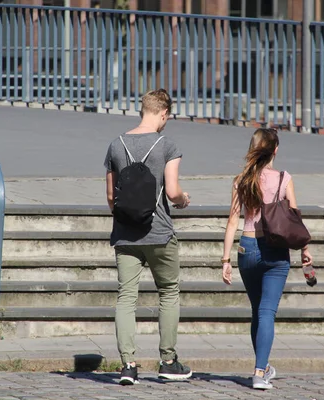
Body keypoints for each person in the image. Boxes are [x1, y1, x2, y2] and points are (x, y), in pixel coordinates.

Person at [103, 88, 192, 385]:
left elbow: (110, 198)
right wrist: (183, 199)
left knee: (126, 298)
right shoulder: (168, 145)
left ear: (142, 109)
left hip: (126, 235)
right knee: (168, 292)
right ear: (163, 113)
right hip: (160, 233)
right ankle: (167, 361)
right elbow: (171, 191)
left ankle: (128, 365)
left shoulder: (116, 145)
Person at [220, 128, 313, 390]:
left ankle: (264, 366)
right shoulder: (284, 178)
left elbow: (232, 222)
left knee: (257, 312)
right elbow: (294, 219)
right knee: (266, 312)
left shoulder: (241, 179)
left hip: (246, 248)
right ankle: (260, 372)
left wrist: (225, 260)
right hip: (275, 250)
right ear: (275, 150)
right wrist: (305, 249)